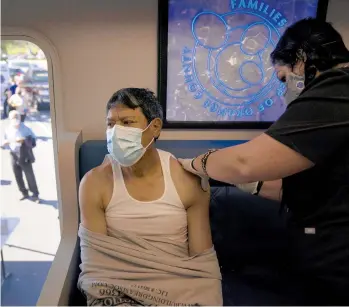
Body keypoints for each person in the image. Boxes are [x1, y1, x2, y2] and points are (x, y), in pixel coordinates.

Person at [179, 18, 349, 306]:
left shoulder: (338, 89)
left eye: (284, 78)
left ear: (302, 59)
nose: (286, 92)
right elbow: (315, 188)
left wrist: (197, 163)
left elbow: (245, 161)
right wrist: (253, 185)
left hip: (336, 271)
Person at [78, 88, 222, 306]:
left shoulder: (188, 179)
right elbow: (99, 266)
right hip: (120, 291)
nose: (116, 131)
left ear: (154, 127)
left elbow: (201, 260)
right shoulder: (94, 183)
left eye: (127, 122)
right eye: (110, 124)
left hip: (180, 290)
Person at [1, 110, 40, 203]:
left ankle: (35, 194)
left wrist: (24, 140)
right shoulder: (8, 129)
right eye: (13, 119)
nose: (15, 123)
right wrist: (4, 144)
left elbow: (34, 139)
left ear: (19, 118)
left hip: (24, 153)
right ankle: (24, 192)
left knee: (29, 174)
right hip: (13, 153)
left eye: (16, 119)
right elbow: (4, 141)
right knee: (17, 175)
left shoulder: (25, 128)